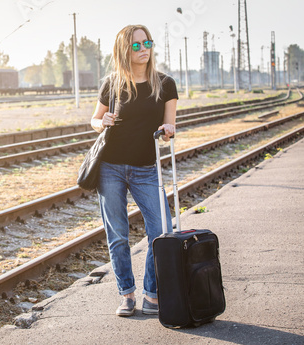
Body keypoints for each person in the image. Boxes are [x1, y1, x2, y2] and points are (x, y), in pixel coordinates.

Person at [91, 24, 178, 317]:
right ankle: (126, 295)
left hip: (146, 169)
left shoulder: (165, 84)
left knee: (161, 230)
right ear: (124, 50)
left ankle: (151, 294)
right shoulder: (112, 84)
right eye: (136, 45)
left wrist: (167, 131)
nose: (144, 49)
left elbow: (169, 127)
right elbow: (94, 119)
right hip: (110, 168)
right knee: (118, 235)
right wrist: (101, 122)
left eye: (147, 43)